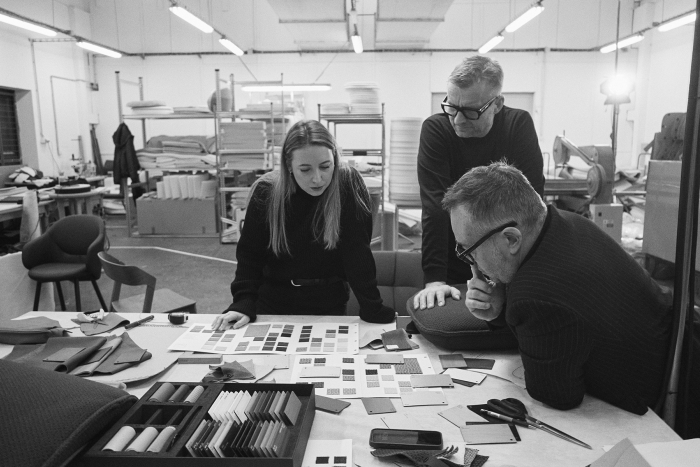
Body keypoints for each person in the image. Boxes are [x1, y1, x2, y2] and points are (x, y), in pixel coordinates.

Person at [442, 161, 672, 415]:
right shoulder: (566, 222)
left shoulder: (534, 297)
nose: (470, 262)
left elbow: (557, 395)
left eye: (470, 250)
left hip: (663, 412)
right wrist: (501, 307)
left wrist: (511, 300)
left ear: (511, 239)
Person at [213, 120, 395, 331]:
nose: (317, 179)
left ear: (335, 159)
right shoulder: (267, 192)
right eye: (305, 169)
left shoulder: (348, 184)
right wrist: (243, 303)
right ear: (289, 166)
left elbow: (357, 253)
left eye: (325, 166)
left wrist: (372, 307)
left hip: (330, 302)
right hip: (273, 303)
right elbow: (250, 256)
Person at [414, 55, 545, 310]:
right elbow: (435, 208)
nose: (457, 120)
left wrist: (515, 278)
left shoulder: (517, 126)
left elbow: (532, 209)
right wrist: (434, 280)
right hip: (455, 256)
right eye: (452, 107)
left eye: (471, 112)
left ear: (497, 104)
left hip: (509, 256)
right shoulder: (437, 130)